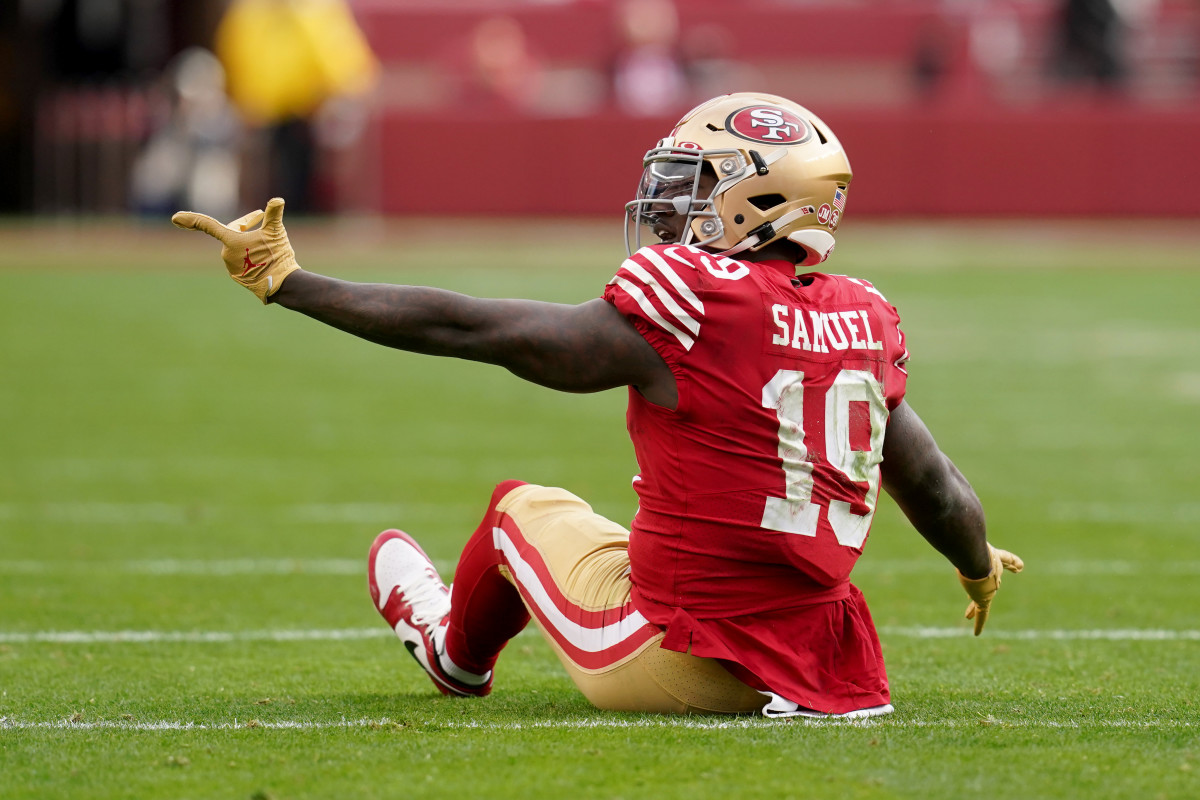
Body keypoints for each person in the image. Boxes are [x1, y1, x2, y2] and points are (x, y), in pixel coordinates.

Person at [172, 92, 1023, 719]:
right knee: (589, 523)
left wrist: (292, 283)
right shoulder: (863, 315)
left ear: (759, 200)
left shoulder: (696, 301)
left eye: (698, 182)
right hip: (831, 663)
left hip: (685, 652)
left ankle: (451, 654)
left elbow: (475, 329)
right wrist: (976, 563)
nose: (672, 202)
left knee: (517, 511)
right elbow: (934, 484)